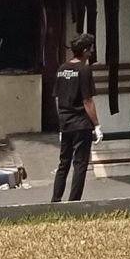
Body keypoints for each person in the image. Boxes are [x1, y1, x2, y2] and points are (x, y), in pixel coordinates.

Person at [50, 34, 100, 201]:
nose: (92, 52)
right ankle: (74, 202)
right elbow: (87, 101)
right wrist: (97, 125)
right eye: (91, 48)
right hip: (81, 124)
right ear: (85, 50)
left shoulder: (62, 69)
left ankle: (55, 200)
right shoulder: (84, 70)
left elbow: (57, 99)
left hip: (65, 123)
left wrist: (61, 122)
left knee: (63, 163)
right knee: (80, 164)